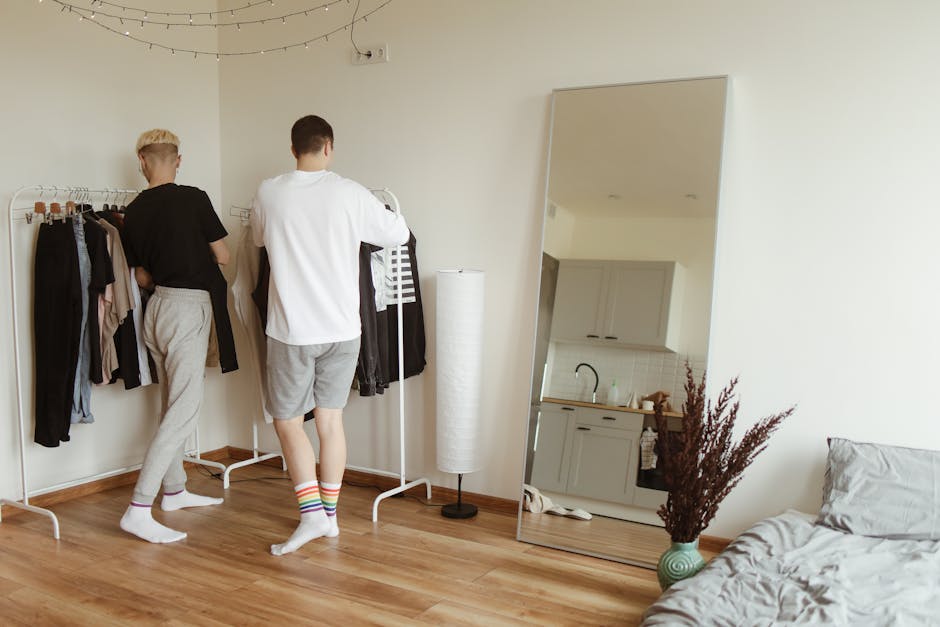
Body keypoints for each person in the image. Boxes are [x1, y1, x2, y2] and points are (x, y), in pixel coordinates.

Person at [251, 115, 408, 556]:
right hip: (344, 329)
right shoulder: (351, 193)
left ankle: (313, 517)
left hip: (292, 331)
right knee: (330, 422)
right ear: (329, 147)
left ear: (293, 147)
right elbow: (398, 234)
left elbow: (259, 238)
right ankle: (329, 518)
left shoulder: (269, 191)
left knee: (287, 422)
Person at [119, 129, 231, 543]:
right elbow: (223, 255)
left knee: (170, 405)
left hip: (157, 309)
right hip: (188, 308)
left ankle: (175, 490)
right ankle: (138, 507)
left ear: (142, 161)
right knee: (183, 409)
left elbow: (143, 276)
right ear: (177, 161)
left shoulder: (133, 211)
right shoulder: (195, 198)